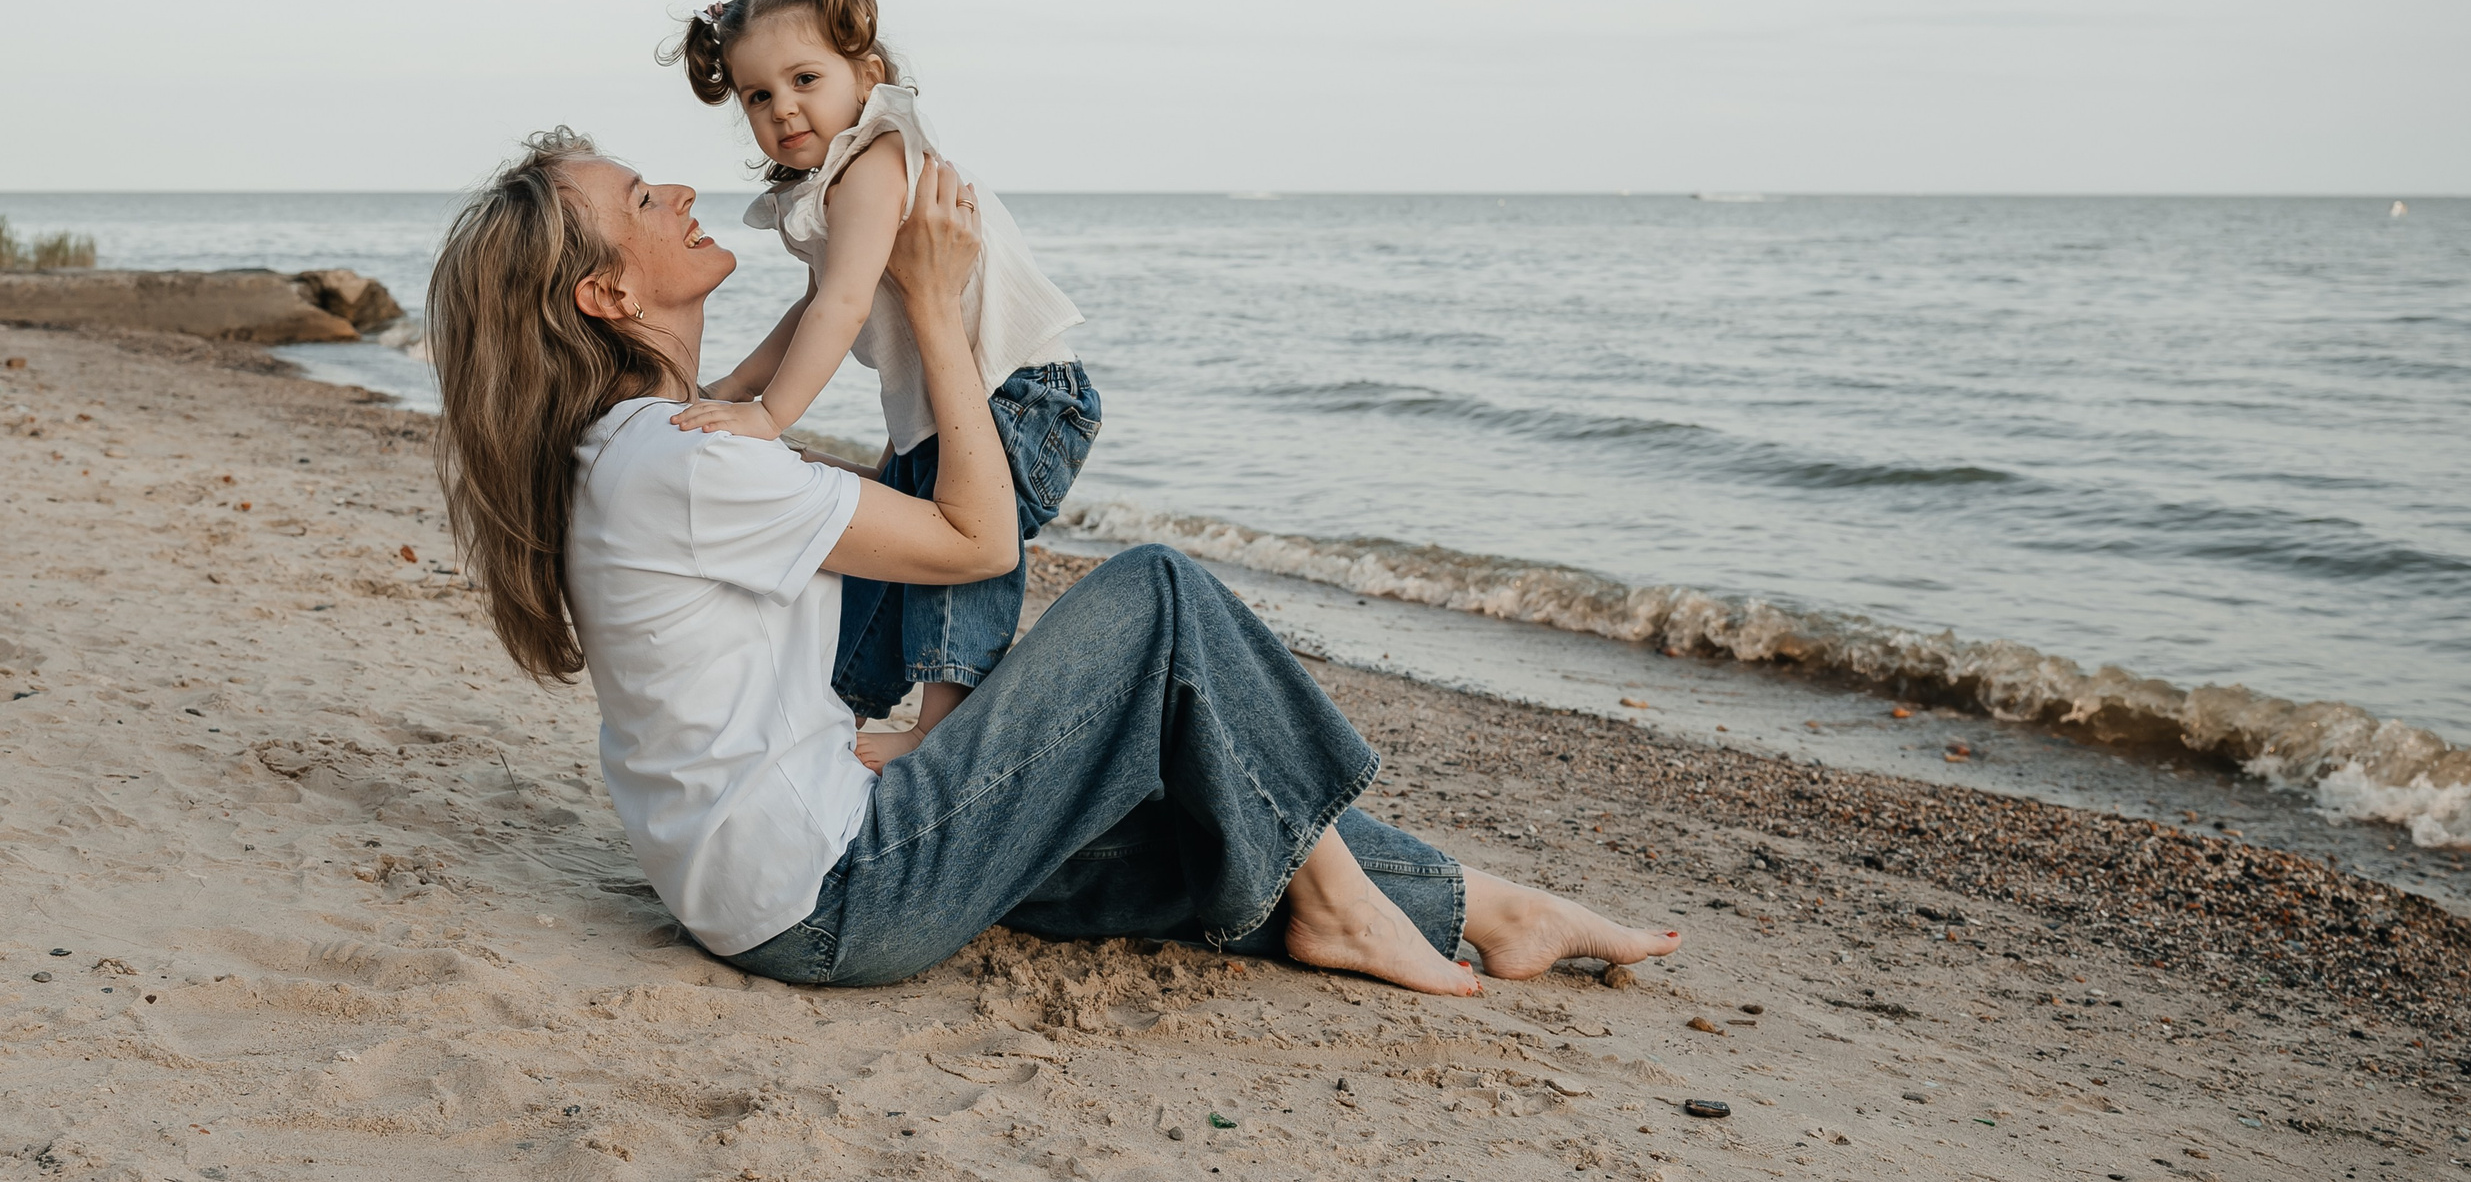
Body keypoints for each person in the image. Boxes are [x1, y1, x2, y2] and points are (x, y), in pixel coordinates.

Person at [426, 128, 1681, 994]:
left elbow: (813, 416)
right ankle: (1346, 908)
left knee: (1183, 804)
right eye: (646, 200)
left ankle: (1489, 911)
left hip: (779, 875)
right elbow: (976, 536)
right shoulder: (687, 460)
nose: (683, 194)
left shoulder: (641, 445)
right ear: (602, 292)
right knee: (1160, 601)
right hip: (835, 888)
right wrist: (931, 301)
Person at [658, 0, 1096, 770]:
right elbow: (815, 303)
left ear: (868, 72)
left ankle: (942, 728)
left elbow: (843, 302)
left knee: (957, 555)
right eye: (759, 95)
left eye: (805, 79)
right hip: (950, 405)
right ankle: (840, 703)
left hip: (1022, 393)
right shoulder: (834, 179)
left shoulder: (875, 161)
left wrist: (770, 415)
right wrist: (732, 385)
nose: (783, 108)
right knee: (897, 557)